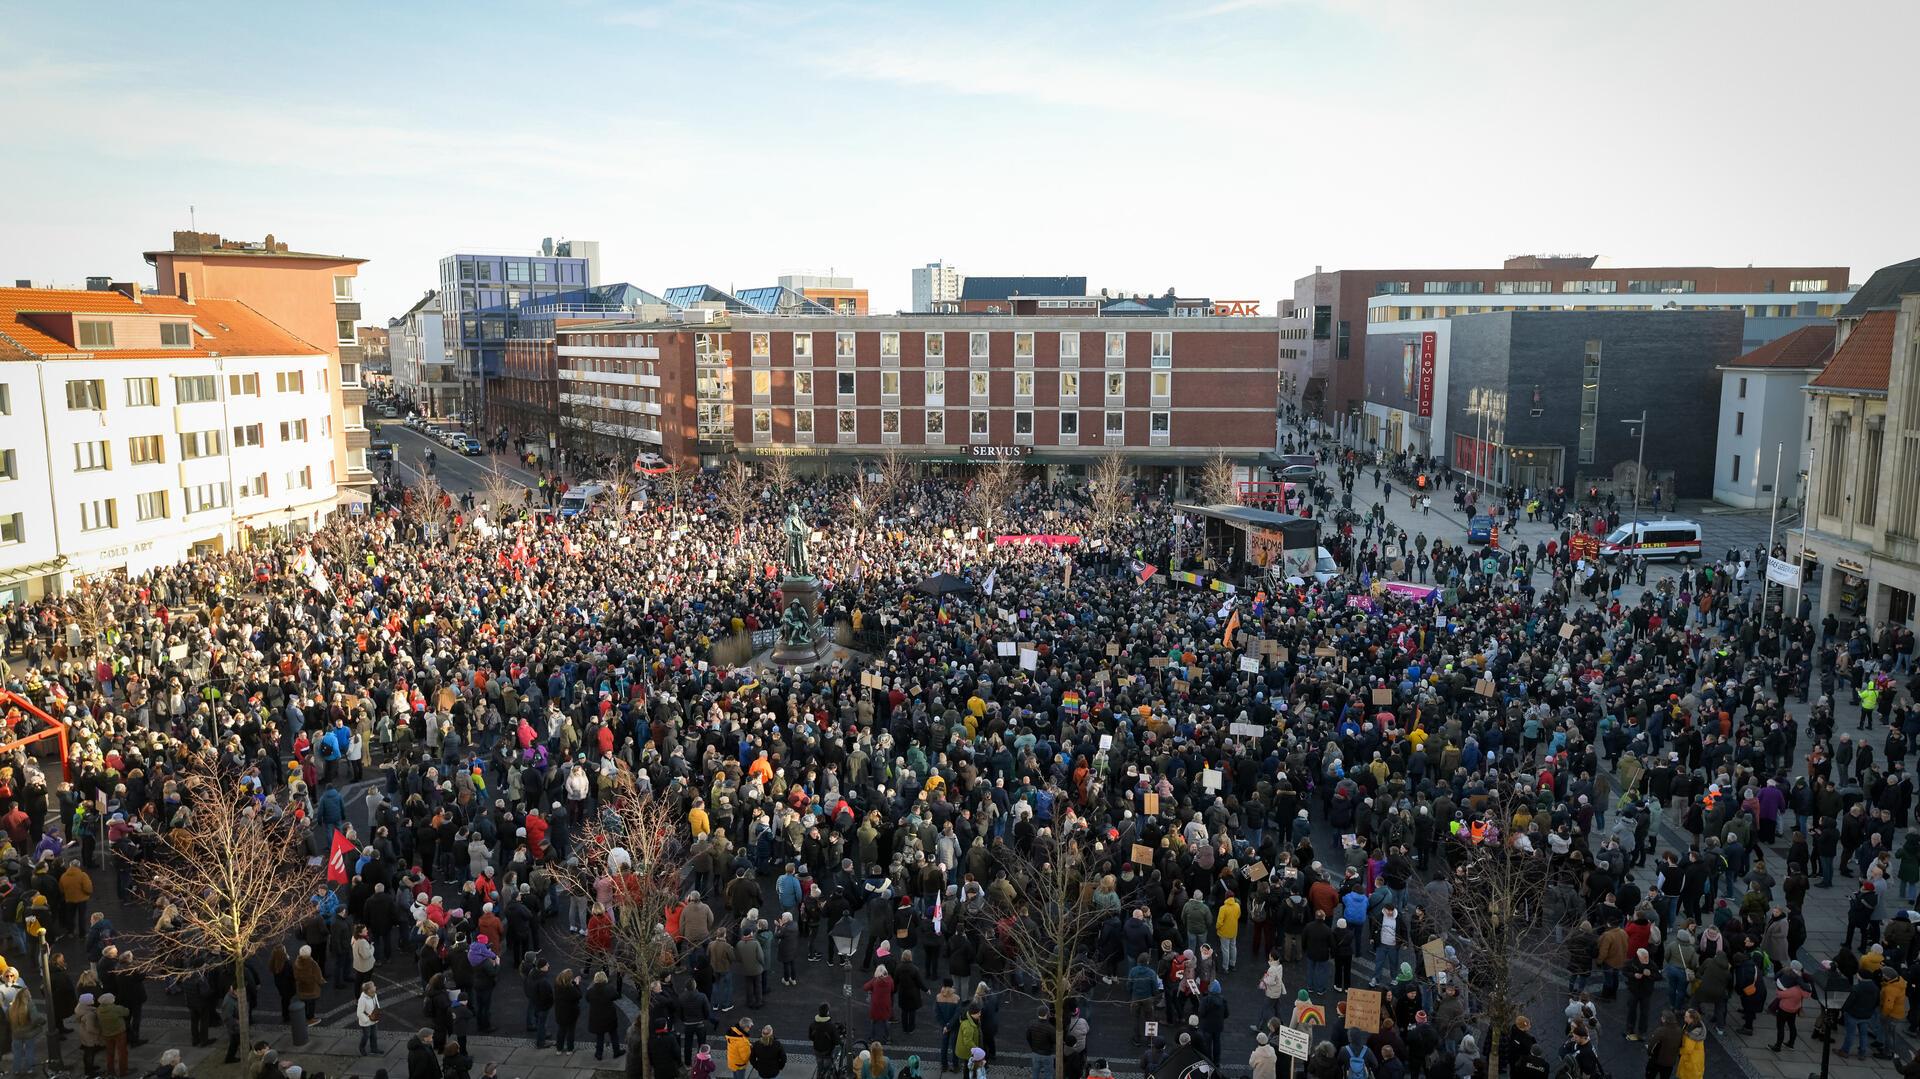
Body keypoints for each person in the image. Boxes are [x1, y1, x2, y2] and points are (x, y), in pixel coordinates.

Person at [588, 970, 625, 1059]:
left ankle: (599, 1054)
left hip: (597, 1016)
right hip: (609, 1016)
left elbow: (587, 998)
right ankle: (616, 1051)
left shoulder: (591, 990)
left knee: (600, 1036)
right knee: (613, 1034)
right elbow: (616, 996)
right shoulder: (609, 988)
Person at [358, 979, 383, 1055]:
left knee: (374, 1035)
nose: (375, 987)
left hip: (374, 1019)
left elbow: (376, 1003)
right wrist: (367, 1019)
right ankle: (361, 1047)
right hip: (366, 1022)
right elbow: (359, 1013)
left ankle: (374, 1049)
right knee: (366, 1036)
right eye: (373, 986)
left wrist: (378, 1010)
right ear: (369, 990)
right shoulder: (362, 999)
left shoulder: (374, 994)